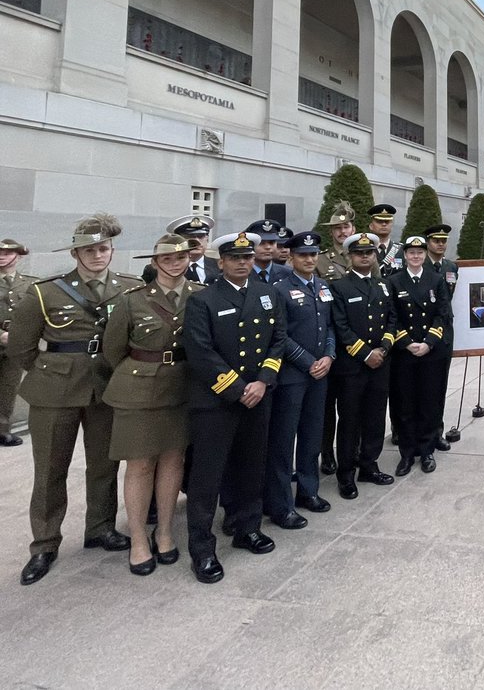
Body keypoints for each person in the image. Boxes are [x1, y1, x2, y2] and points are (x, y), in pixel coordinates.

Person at [9, 214, 136, 586]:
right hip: (55, 391)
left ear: (112, 250)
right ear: (76, 252)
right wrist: (53, 370)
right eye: (90, 250)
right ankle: (44, 544)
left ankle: (100, 528)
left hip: (105, 389)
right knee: (50, 469)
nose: (98, 255)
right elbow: (21, 349)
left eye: (104, 248)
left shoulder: (126, 288)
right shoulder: (44, 292)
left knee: (104, 464)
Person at [182, 231, 286, 584]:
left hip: (258, 396)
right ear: (221, 262)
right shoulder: (203, 299)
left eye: (247, 257)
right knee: (207, 476)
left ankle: (247, 528)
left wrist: (263, 382)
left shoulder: (268, 294)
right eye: (235, 258)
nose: (243, 262)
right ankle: (202, 548)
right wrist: (239, 388)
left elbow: (278, 340)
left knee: (251, 466)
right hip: (217, 400)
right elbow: (199, 350)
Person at [102, 233, 198, 575]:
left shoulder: (199, 296)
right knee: (141, 464)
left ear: (189, 260)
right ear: (154, 263)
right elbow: (113, 350)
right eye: (167, 259)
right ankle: (139, 537)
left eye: (181, 257)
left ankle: (167, 530)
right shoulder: (132, 300)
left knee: (174, 460)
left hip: (182, 387)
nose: (175, 263)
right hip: (138, 390)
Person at [264, 231, 336, 531]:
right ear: (291, 258)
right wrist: (309, 362)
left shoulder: (323, 286)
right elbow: (279, 335)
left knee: (312, 434)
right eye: (303, 255)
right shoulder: (279, 289)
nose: (309, 259)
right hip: (292, 376)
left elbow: (330, 326)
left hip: (320, 374)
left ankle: (308, 491)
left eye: (313, 254)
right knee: (283, 440)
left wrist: (329, 356)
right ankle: (281, 505)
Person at [329, 233, 395, 499]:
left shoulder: (383, 286)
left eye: (369, 252)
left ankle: (369, 464)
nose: (365, 256)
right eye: (359, 253)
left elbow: (392, 320)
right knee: (350, 421)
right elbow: (340, 326)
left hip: (380, 364)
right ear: (349, 256)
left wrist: (384, 348)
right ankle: (346, 474)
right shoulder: (339, 287)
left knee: (376, 418)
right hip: (352, 367)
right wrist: (366, 353)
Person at [385, 235, 451, 476]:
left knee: (429, 402)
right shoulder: (393, 281)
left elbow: (442, 313)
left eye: (420, 252)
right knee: (405, 404)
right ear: (405, 255)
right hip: (405, 353)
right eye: (411, 252)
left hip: (430, 352)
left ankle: (426, 451)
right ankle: (406, 454)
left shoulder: (436, 279)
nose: (415, 256)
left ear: (425, 254)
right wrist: (407, 343)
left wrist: (428, 343)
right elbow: (391, 315)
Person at [317, 201, 358, 475]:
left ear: (353, 227)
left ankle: (350, 450)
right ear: (331, 232)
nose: (342, 231)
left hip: (356, 341)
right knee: (326, 405)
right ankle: (327, 453)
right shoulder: (321, 259)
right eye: (337, 228)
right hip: (330, 340)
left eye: (346, 226)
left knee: (351, 403)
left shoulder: (363, 255)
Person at [424, 223, 458, 453]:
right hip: (421, 333)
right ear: (428, 242)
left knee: (439, 387)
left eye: (444, 240)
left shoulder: (451, 266)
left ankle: (437, 430)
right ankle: (417, 433)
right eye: (436, 240)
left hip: (443, 333)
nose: (441, 244)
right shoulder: (417, 264)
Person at [0, 236, 37, 447]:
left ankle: (3, 430)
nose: (2, 257)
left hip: (15, 344)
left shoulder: (29, 283)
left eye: (7, 253)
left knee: (8, 388)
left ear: (19, 256)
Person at [167, 215, 219, 285]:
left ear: (207, 239)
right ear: (178, 241)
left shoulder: (220, 266)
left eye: (201, 236)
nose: (197, 240)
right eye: (190, 236)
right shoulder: (166, 268)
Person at [245, 219, 290, 283]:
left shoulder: (287, 274)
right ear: (251, 245)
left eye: (272, 243)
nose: (268, 247)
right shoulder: (241, 273)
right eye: (261, 243)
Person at [368, 203, 402, 278]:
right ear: (371, 226)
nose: (384, 224)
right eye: (379, 221)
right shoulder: (365, 249)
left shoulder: (401, 250)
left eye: (387, 221)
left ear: (391, 225)